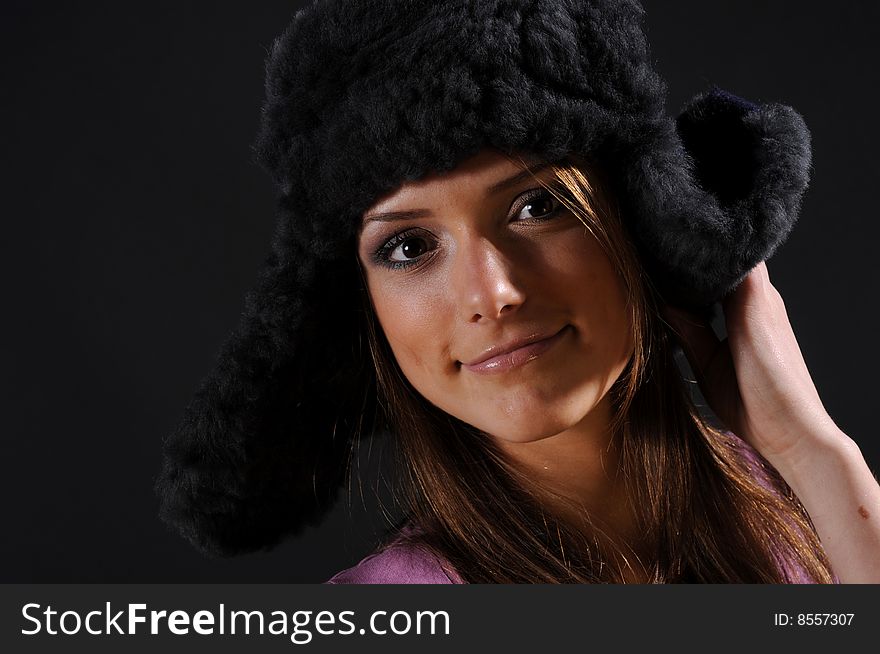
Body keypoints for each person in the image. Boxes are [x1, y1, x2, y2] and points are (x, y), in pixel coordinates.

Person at [155, 0, 880, 583]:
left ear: (636, 220)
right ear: (364, 308)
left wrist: (812, 450)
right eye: (409, 246)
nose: (493, 292)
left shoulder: (804, 510)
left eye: (537, 207)